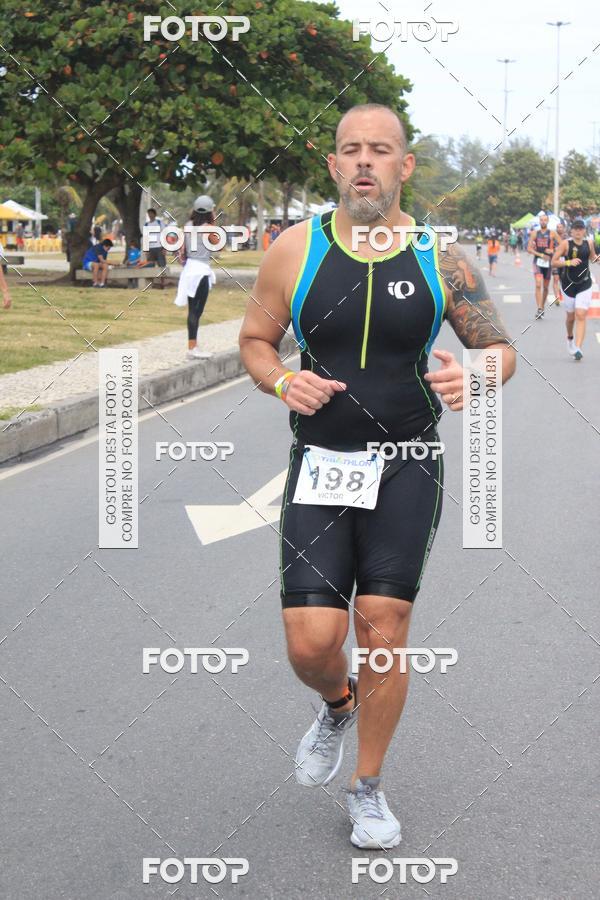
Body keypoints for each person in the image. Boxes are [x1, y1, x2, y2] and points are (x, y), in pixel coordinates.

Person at [239, 103, 516, 850]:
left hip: (408, 467)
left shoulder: (439, 256)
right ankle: (336, 702)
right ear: (332, 165)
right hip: (320, 467)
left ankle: (367, 789)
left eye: (381, 150)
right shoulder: (292, 251)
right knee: (310, 641)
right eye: (351, 150)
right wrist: (278, 383)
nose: (365, 161)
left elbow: (499, 348)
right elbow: (256, 340)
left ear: (405, 166)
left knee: (383, 629)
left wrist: (478, 376)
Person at [175, 195, 220, 360]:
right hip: (201, 271)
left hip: (189, 270)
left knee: (191, 310)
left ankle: (192, 346)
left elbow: (181, 251)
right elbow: (218, 245)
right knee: (197, 311)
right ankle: (193, 348)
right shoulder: (209, 228)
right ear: (210, 211)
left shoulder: (187, 226)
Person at [552, 218, 599, 360]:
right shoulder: (566, 244)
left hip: (585, 283)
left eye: (581, 229)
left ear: (584, 230)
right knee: (571, 317)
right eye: (576, 229)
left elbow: (592, 258)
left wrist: (598, 259)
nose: (578, 231)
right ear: (571, 230)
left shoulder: (589, 243)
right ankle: (570, 338)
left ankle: (578, 348)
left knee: (580, 314)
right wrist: (568, 262)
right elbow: (553, 261)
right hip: (568, 285)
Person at [527, 213, 555, 319]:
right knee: (538, 284)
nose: (543, 222)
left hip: (548, 263)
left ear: (547, 221)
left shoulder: (552, 234)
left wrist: (552, 250)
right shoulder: (535, 233)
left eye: (545, 220)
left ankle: (542, 306)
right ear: (539, 221)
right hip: (537, 262)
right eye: (541, 220)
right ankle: (539, 308)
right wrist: (541, 254)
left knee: (546, 287)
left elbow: (562, 245)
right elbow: (529, 249)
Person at [143, 208, 167, 288]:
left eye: (151, 213)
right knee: (150, 266)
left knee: (162, 265)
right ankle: (151, 283)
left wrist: (165, 248)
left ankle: (162, 283)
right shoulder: (146, 224)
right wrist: (146, 250)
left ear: (155, 214)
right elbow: (145, 237)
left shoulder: (159, 223)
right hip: (150, 248)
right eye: (148, 214)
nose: (150, 215)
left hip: (159, 247)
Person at [551, 222, 566, 306]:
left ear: (563, 228)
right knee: (556, 278)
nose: (559, 228)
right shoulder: (553, 238)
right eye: (558, 227)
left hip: (565, 261)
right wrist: (554, 250)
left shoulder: (567, 238)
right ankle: (557, 297)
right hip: (556, 260)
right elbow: (549, 249)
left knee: (563, 280)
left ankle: (560, 292)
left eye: (560, 227)